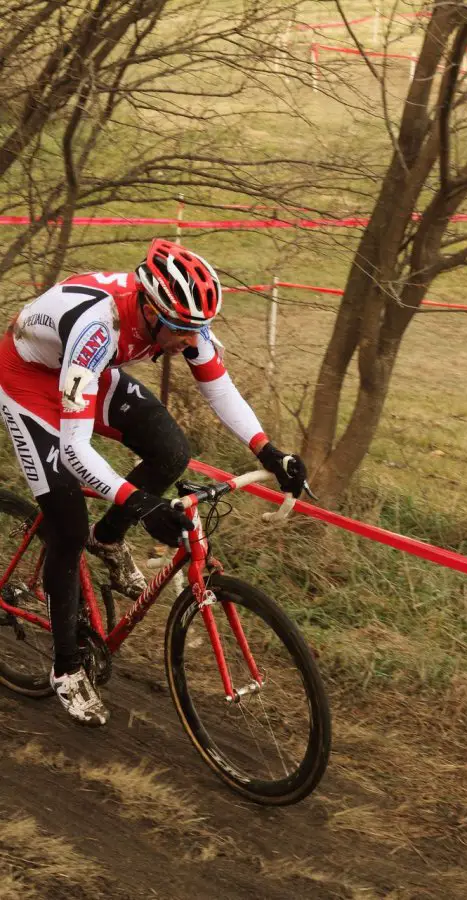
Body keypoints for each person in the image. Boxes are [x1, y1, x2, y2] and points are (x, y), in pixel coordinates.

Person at [0, 238, 307, 727]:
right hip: (29, 381)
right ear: (150, 308)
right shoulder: (98, 328)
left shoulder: (180, 317)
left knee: (171, 452)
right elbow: (77, 451)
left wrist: (269, 451)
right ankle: (65, 667)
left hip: (86, 375)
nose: (192, 340)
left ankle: (109, 539)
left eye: (198, 330)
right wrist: (144, 504)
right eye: (183, 331)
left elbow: (218, 386)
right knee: (67, 525)